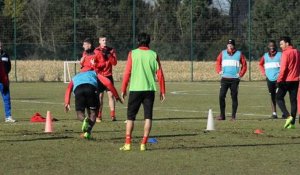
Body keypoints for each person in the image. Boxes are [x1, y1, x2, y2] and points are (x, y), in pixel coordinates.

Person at [119, 33, 165, 151]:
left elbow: (127, 73)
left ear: (138, 41)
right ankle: (143, 144)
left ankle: (128, 143)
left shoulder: (133, 53)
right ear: (149, 41)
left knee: (130, 118)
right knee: (148, 117)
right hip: (149, 90)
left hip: (135, 89)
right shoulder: (154, 54)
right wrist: (162, 90)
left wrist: (123, 89)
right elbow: (159, 74)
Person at [64, 70, 123, 139]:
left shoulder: (75, 77)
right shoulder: (94, 73)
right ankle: (87, 132)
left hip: (78, 90)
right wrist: (116, 95)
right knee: (93, 113)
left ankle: (84, 120)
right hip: (91, 89)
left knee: (80, 113)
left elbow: (68, 89)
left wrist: (67, 102)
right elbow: (108, 82)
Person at [215, 39, 247, 120]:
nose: (229, 46)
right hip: (224, 79)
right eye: (228, 44)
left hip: (234, 80)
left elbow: (244, 65)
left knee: (234, 97)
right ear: (227, 45)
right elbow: (218, 62)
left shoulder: (239, 54)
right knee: (221, 96)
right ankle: (222, 116)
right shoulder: (223, 53)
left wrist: (240, 74)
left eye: (231, 44)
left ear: (234, 45)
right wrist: (219, 71)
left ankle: (233, 116)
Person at [276, 37, 300, 129]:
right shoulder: (297, 52)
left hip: (286, 80)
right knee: (293, 101)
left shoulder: (286, 53)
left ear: (287, 43)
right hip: (295, 80)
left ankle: (288, 116)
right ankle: (292, 123)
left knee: (278, 98)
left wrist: (279, 80)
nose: (280, 46)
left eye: (282, 44)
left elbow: (283, 68)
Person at [94, 35, 118, 122]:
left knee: (111, 96)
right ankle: (99, 116)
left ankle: (113, 115)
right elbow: (94, 63)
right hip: (100, 77)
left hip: (109, 76)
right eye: (103, 40)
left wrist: (108, 54)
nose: (105, 41)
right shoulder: (96, 51)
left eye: (105, 40)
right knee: (100, 97)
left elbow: (114, 63)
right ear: (99, 41)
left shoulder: (111, 50)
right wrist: (98, 67)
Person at [259, 40, 283, 119]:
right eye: (270, 46)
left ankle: (284, 113)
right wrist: (264, 72)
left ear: (275, 46)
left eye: (273, 46)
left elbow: (285, 64)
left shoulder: (280, 55)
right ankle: (274, 113)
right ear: (268, 47)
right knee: (272, 96)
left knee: (279, 96)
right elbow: (260, 64)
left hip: (279, 79)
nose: (272, 47)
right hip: (269, 79)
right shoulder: (265, 56)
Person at [0, 41, 16, 122]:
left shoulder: (5, 55)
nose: (0, 47)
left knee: (6, 98)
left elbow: (9, 66)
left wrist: (5, 75)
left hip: (4, 80)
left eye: (1, 46)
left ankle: (8, 116)